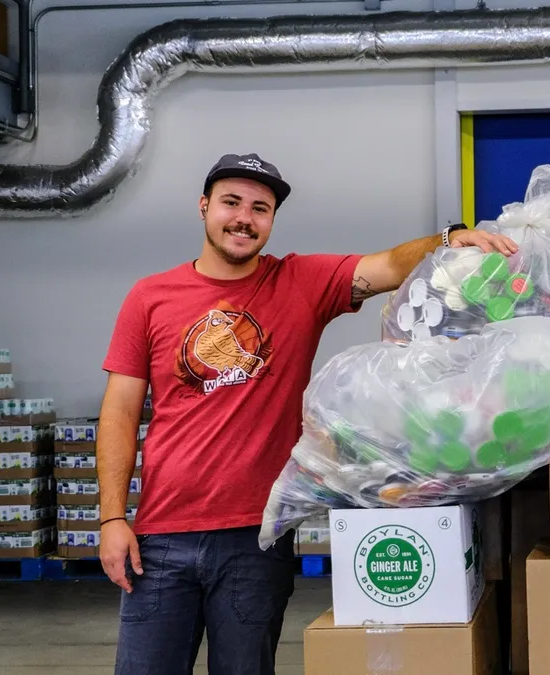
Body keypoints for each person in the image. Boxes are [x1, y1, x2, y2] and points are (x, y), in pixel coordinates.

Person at [96, 153, 518, 675]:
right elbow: (118, 412)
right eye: (231, 203)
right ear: (204, 207)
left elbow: (385, 266)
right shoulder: (150, 297)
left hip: (256, 540)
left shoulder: (299, 282)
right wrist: (113, 517)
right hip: (159, 540)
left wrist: (450, 238)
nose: (244, 218)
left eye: (260, 208)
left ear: (271, 220)